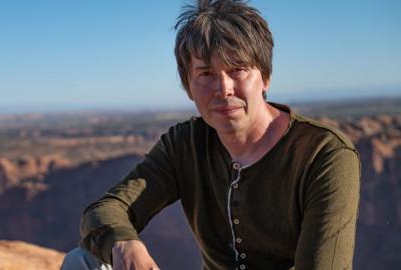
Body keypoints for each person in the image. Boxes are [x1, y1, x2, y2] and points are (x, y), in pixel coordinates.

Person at [62, 0, 361, 269]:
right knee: (83, 262)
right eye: (206, 74)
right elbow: (105, 211)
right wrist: (123, 243)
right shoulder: (185, 144)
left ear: (265, 77)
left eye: (237, 69)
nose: (223, 89)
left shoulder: (323, 154)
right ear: (188, 86)